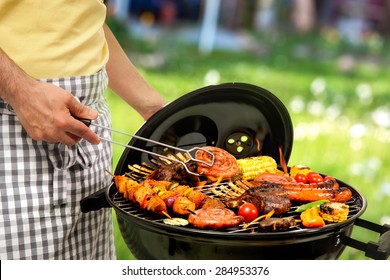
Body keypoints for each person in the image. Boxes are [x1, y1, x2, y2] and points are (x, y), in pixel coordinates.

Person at [0, 1, 165, 259]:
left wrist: (153, 108)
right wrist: (21, 92)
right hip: (13, 129)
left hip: (91, 141)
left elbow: (84, 18)